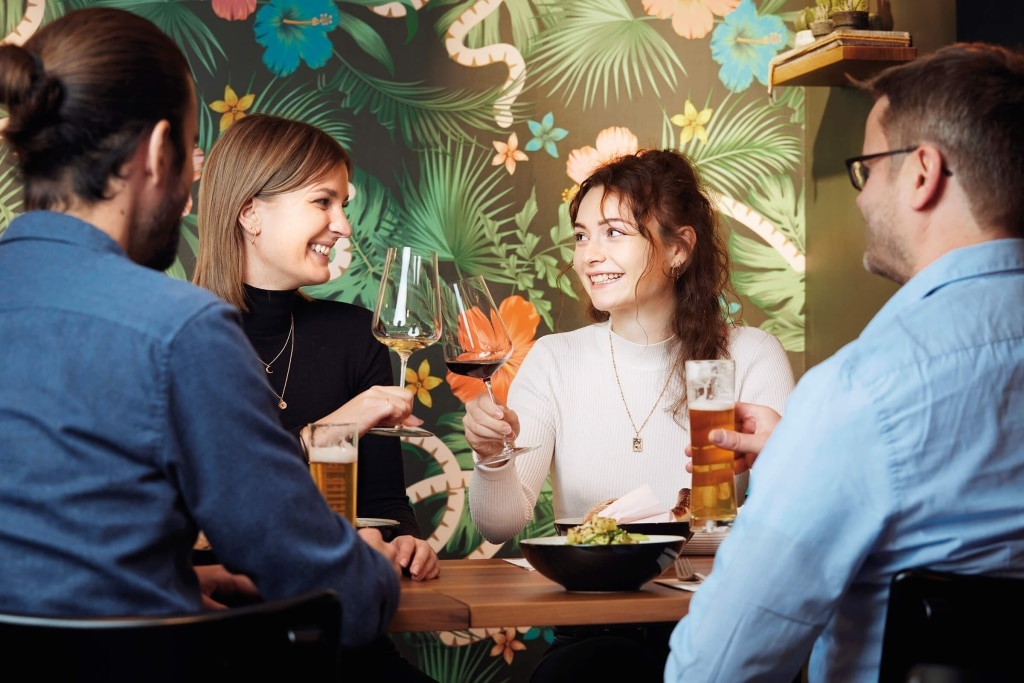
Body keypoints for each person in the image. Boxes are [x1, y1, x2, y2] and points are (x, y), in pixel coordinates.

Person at [0, 6, 399, 654]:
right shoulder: (179, 332)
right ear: (160, 153)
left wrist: (179, 573)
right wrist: (373, 569)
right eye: (191, 157)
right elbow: (346, 598)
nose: (191, 190)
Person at [666, 42, 1024, 682]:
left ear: (922, 173)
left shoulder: (862, 393)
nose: (860, 199)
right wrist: (799, 452)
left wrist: (820, 440)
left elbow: (714, 669)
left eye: (867, 168)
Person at [461, 148, 794, 681]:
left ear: (679, 247)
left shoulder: (750, 354)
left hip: (718, 625)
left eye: (614, 232)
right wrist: (491, 455)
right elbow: (500, 524)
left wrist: (790, 456)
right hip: (595, 632)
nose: (589, 254)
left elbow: (793, 520)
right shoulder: (555, 358)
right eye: (581, 235)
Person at [192, 114, 438, 682]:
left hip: (346, 646)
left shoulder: (358, 336)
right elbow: (207, 522)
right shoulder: (183, 337)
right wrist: (328, 431)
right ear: (250, 212)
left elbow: (384, 507)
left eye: (343, 204)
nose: (344, 225)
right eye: (323, 202)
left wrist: (401, 544)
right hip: (222, 648)